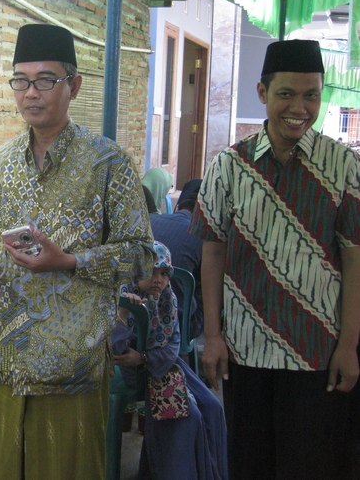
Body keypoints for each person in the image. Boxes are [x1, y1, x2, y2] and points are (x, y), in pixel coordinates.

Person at [0, 23, 155, 479]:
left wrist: (69, 262)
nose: (31, 93)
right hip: (9, 357)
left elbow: (142, 255)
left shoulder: (109, 163)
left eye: (45, 80)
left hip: (73, 364)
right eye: (21, 80)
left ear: (74, 85)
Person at [190, 40, 360, 479]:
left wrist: (349, 345)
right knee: (249, 465)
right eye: (286, 94)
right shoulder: (229, 165)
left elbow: (354, 258)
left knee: (312, 466)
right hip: (244, 351)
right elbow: (212, 250)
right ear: (263, 92)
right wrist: (213, 336)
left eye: (311, 95)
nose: (299, 108)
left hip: (316, 354)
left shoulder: (343, 166)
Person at [113, 241, 227, 479]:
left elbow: (173, 343)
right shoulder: (122, 296)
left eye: (164, 273)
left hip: (163, 363)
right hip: (137, 372)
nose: (158, 280)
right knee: (188, 416)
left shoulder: (167, 297)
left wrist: (144, 357)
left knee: (213, 407)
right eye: (151, 271)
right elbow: (117, 352)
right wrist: (123, 314)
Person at [150, 179, 204, 341]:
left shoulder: (149, 220)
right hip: (179, 325)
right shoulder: (205, 238)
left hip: (136, 317)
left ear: (177, 207)